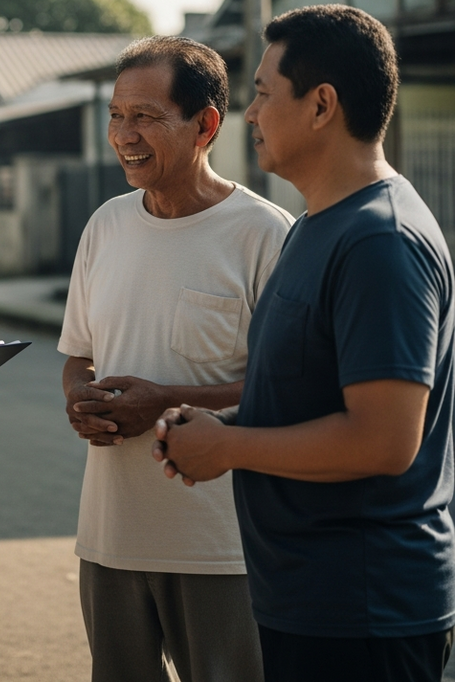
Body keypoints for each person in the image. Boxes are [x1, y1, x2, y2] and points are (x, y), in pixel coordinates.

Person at [153, 5, 455, 682]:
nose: (249, 113)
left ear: (322, 105)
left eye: (262, 93)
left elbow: (383, 441)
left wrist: (228, 448)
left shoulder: (381, 240)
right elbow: (305, 397)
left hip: (362, 614)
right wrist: (216, 427)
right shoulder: (317, 225)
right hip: (305, 603)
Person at [60, 37, 292, 682]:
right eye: (115, 114)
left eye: (146, 116)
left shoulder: (265, 235)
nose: (123, 134)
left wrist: (162, 402)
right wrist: (79, 398)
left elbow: (286, 392)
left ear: (206, 124)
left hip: (221, 548)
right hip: (109, 539)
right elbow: (78, 354)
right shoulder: (105, 226)